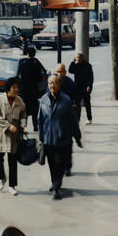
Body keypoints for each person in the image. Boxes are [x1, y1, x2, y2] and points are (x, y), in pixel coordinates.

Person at [38, 71, 80, 200]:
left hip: (63, 138)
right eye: (50, 83)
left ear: (59, 85)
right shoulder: (43, 100)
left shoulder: (66, 100)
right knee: (52, 164)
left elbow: (72, 120)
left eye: (55, 83)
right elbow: (40, 119)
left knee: (60, 163)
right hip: (48, 138)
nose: (52, 86)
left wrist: (77, 136)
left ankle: (56, 186)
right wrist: (41, 137)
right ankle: (55, 183)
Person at [0, 76, 25, 194]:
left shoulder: (19, 101)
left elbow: (24, 114)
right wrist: (8, 125)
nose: (16, 89)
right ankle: (2, 177)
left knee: (12, 161)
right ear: (8, 88)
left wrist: (23, 125)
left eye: (17, 87)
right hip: (1, 133)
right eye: (14, 87)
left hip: (14, 136)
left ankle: (12, 185)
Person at [16, 42, 48, 120]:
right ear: (34, 54)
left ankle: (24, 124)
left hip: (25, 90)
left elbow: (20, 77)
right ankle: (35, 125)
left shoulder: (23, 65)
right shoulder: (36, 65)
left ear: (27, 54)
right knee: (34, 107)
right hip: (34, 89)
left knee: (25, 107)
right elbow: (40, 78)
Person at [69, 50, 95, 125]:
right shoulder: (76, 65)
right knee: (77, 104)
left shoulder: (88, 65)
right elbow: (70, 70)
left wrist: (89, 86)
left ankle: (89, 118)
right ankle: (77, 118)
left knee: (87, 103)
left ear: (82, 58)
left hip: (85, 87)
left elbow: (91, 77)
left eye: (79, 57)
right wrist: (72, 62)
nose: (78, 59)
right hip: (77, 87)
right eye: (76, 57)